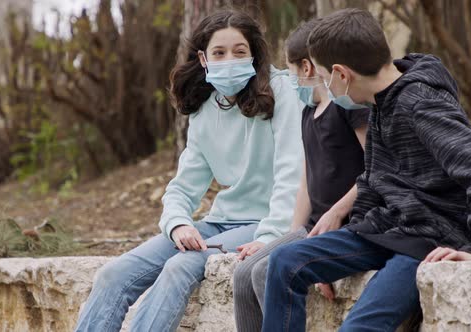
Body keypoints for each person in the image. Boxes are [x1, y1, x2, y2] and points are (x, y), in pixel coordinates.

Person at [261, 8, 471, 332]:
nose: (325, 86)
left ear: (341, 74)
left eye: (323, 77)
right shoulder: (381, 100)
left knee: (357, 328)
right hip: (387, 228)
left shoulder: (419, 103)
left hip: (429, 238)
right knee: (285, 262)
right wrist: (340, 218)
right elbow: (378, 174)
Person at [74, 9, 304, 332]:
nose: (229, 60)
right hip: (219, 223)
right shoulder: (204, 111)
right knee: (113, 275)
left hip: (263, 222)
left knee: (178, 268)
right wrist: (178, 224)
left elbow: (292, 174)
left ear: (254, 56)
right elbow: (182, 188)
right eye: (219, 53)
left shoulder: (281, 93)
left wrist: (270, 236)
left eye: (240, 52)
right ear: (203, 58)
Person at [232, 18, 369, 332]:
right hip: (311, 226)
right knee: (243, 272)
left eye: (291, 70)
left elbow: (375, 167)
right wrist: (287, 238)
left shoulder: (348, 107)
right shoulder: (307, 112)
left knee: (264, 271)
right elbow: (306, 181)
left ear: (307, 68)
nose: (290, 78)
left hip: (345, 224)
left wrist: (338, 213)